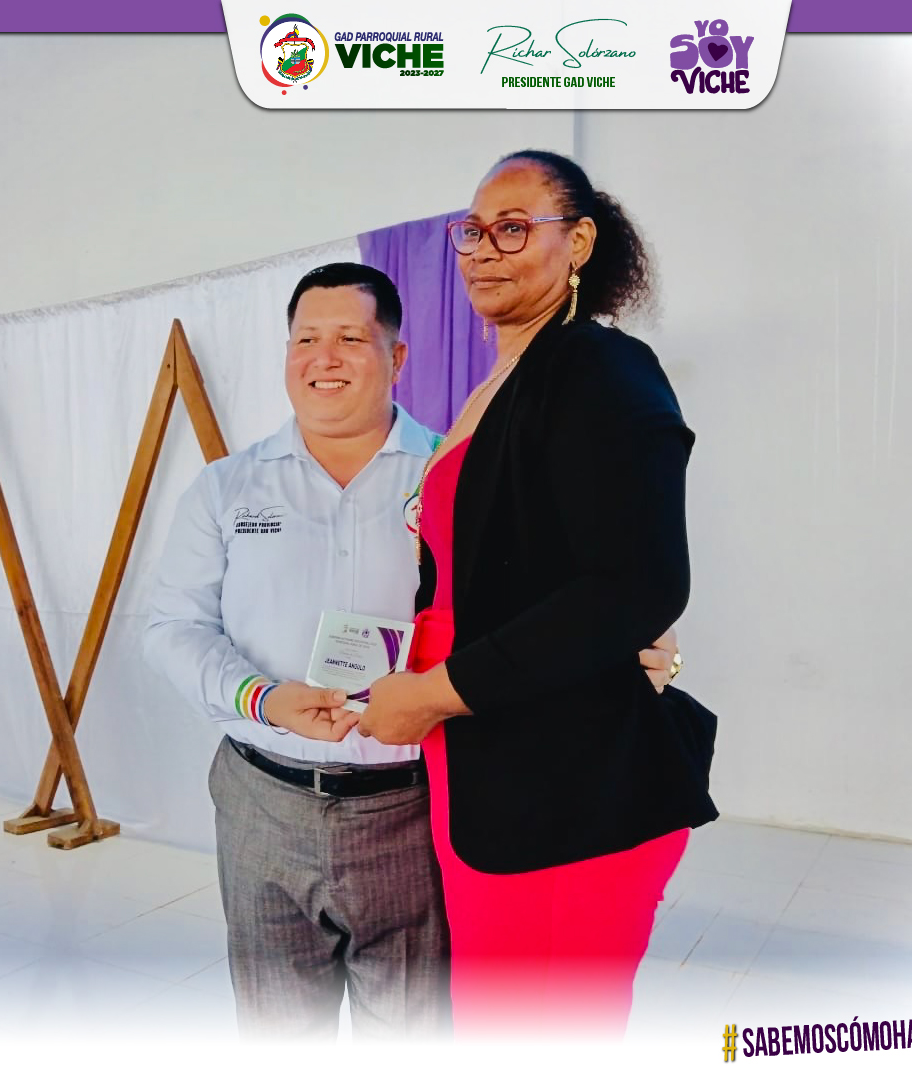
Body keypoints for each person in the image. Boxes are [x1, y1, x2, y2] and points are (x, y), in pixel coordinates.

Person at [144, 261, 679, 1039]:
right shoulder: (227, 489)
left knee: (411, 1035)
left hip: (413, 809)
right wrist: (262, 698)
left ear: (396, 357)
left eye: (349, 338)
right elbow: (172, 627)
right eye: (305, 340)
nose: (324, 358)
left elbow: (557, 608)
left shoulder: (461, 480)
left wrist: (631, 643)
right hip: (263, 799)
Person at [356, 150, 715, 1037]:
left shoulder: (597, 366)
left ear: (579, 242)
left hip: (565, 786)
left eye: (514, 229)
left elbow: (636, 581)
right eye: (474, 231)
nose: (485, 250)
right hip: (486, 758)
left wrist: (432, 694)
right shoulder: (496, 387)